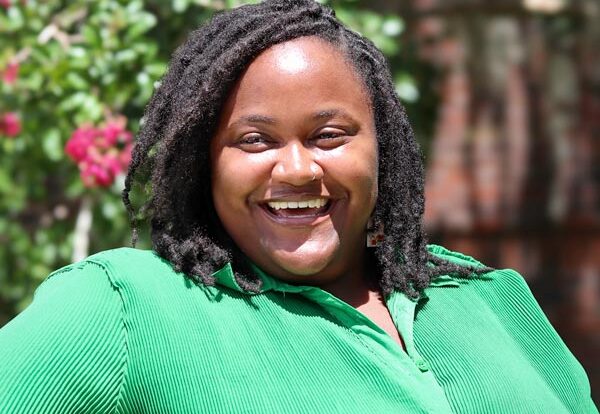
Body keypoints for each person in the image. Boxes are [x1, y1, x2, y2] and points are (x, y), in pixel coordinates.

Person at [0, 1, 597, 412]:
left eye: (329, 135)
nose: (297, 169)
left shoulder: (491, 299)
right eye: (254, 140)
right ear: (205, 163)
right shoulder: (126, 309)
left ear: (381, 148)